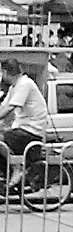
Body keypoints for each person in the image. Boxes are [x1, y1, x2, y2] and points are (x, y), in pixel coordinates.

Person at [0, 59, 48, 187]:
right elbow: (3, 106)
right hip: (22, 128)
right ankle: (7, 174)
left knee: (1, 138)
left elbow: (10, 108)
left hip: (31, 131)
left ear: (5, 72)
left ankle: (17, 167)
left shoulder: (24, 84)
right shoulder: (14, 87)